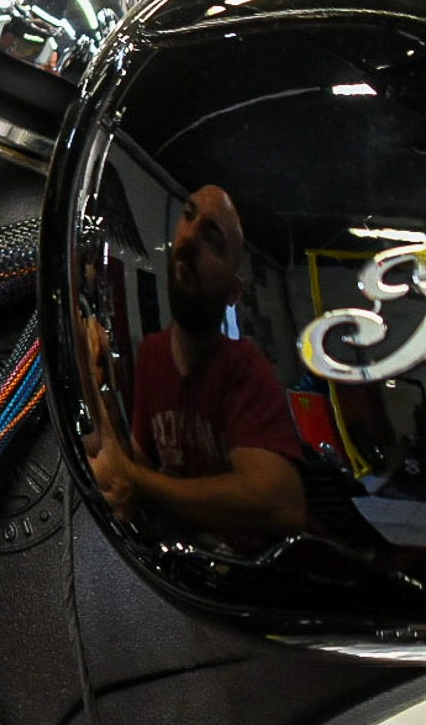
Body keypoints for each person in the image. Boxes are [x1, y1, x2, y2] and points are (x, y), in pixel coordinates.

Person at [92, 185, 307, 543]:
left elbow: (282, 505)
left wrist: (137, 481)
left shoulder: (246, 367)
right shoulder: (152, 352)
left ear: (234, 293)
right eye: (188, 216)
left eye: (213, 239)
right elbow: (140, 460)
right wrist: (96, 385)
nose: (189, 239)